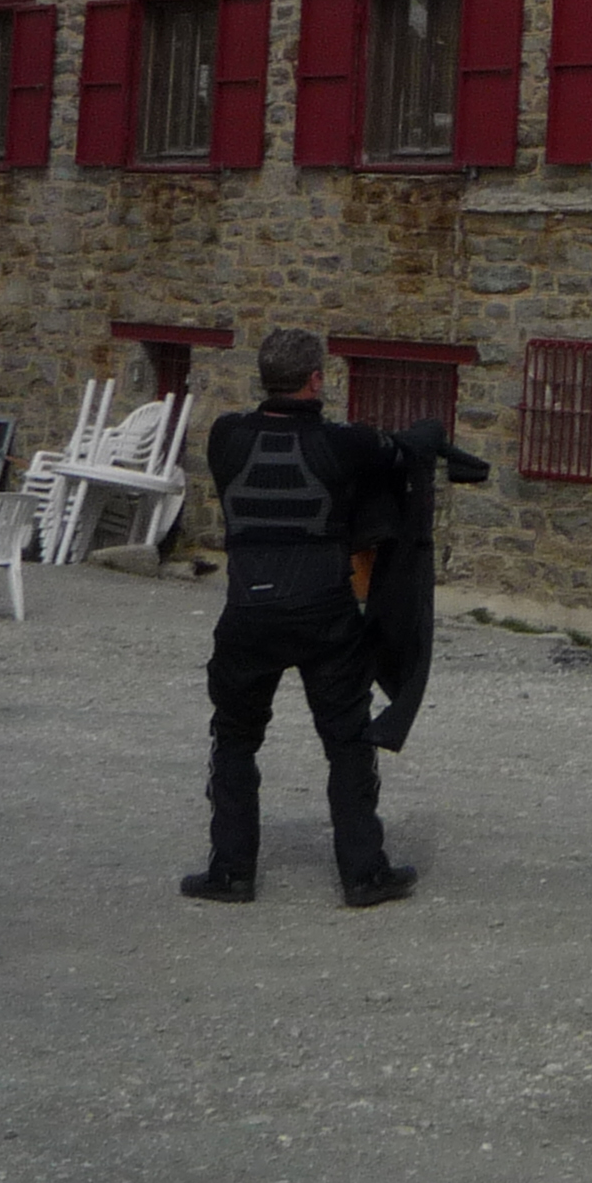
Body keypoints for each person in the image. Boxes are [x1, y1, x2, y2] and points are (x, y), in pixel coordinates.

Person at [182, 330, 418, 908]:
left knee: (235, 741)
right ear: (316, 379)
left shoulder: (226, 437)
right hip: (324, 612)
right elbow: (398, 452)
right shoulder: (343, 443)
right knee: (346, 741)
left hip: (248, 612)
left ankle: (231, 872)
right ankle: (363, 874)